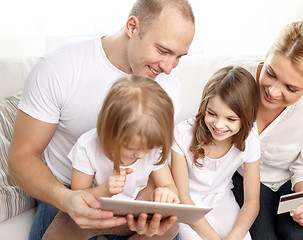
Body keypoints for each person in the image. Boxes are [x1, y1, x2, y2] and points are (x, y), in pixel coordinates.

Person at [8, 0, 195, 239]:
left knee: (168, 229)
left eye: (179, 57)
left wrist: (149, 206)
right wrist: (67, 200)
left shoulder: (168, 88)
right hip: (69, 190)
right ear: (132, 27)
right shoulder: (59, 67)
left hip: (132, 194)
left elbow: (149, 161)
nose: (169, 68)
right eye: (163, 51)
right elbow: (21, 157)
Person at [230, 20, 303, 240]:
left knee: (296, 234)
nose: (273, 91)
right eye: (271, 73)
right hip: (247, 179)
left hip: (292, 180)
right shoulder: (237, 81)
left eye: (291, 88)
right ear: (267, 55)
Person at [42, 75, 179, 240]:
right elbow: (79, 196)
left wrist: (166, 192)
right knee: (66, 221)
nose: (142, 155)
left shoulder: (154, 149)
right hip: (94, 216)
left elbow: (168, 185)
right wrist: (106, 189)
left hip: (132, 219)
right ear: (108, 132)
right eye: (132, 148)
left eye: (148, 148)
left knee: (171, 226)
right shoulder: (88, 146)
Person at [171, 66, 261, 240]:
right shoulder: (182, 134)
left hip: (222, 200)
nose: (219, 125)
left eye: (231, 119)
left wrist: (235, 236)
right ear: (204, 105)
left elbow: (252, 202)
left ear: (246, 118)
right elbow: (183, 196)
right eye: (212, 113)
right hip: (189, 205)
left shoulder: (250, 140)